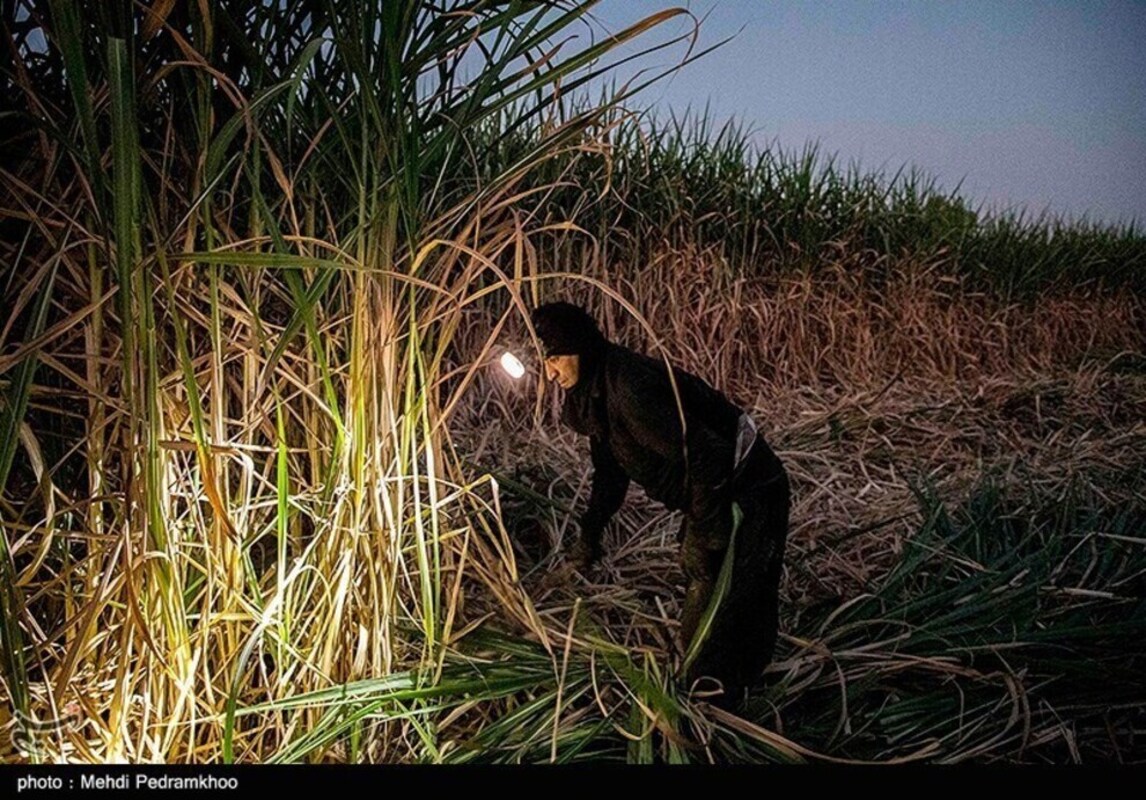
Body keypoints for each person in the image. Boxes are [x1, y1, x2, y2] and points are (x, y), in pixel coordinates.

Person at [531, 301, 791, 706]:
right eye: (545, 360)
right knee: (704, 580)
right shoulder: (591, 393)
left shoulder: (631, 389)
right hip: (714, 488)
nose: (549, 372)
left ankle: (717, 702)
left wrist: (704, 530)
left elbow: (708, 455)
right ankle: (707, 688)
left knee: (727, 591)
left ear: (581, 349)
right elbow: (609, 473)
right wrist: (589, 537)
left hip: (750, 486)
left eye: (557, 358)